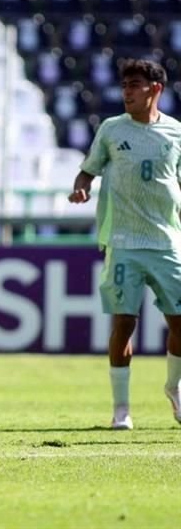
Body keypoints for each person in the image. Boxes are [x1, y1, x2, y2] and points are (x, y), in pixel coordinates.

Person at [69, 58, 181, 431]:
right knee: (123, 323)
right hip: (124, 241)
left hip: (167, 240)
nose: (127, 91)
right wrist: (82, 185)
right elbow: (89, 167)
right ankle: (121, 409)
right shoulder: (112, 130)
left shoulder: (176, 134)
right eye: (124, 85)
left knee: (179, 322)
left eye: (135, 84)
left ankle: (174, 387)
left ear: (155, 89)